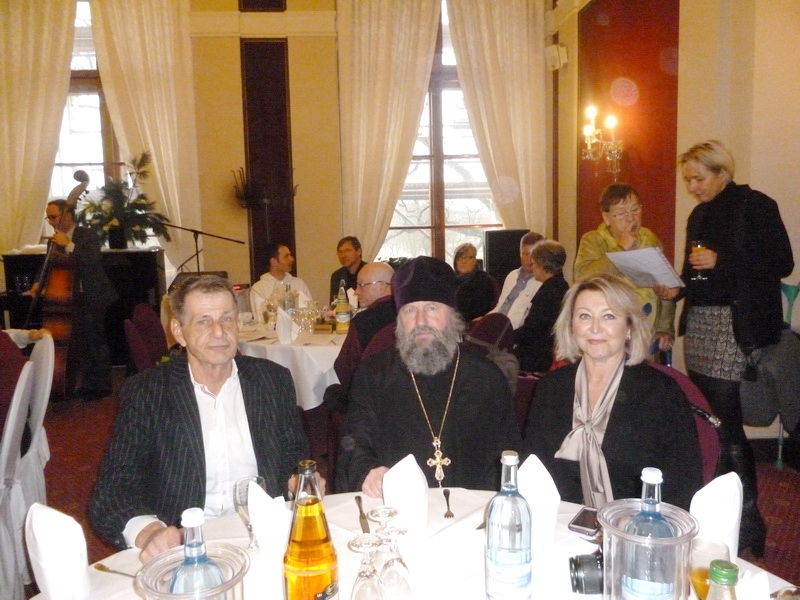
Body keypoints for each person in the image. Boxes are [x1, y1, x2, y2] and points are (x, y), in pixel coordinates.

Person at [88, 274, 311, 562]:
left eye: (227, 319)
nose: (219, 332)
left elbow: (294, 455)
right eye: (204, 321)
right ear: (179, 331)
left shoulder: (273, 381)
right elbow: (111, 490)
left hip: (263, 539)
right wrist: (150, 533)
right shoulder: (148, 392)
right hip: (186, 548)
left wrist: (297, 479)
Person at [657, 139, 794, 555]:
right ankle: (718, 513)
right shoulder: (698, 215)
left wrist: (724, 261)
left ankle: (749, 521)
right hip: (700, 325)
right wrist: (675, 289)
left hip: (733, 326)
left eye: (698, 178)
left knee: (728, 426)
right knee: (709, 419)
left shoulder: (756, 205)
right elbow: (694, 275)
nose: (692, 187)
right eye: (688, 180)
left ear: (723, 172)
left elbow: (782, 263)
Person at [336, 256, 522, 496]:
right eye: (410, 310)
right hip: (398, 504)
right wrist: (367, 472)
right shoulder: (373, 374)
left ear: (452, 315)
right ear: (399, 321)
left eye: (432, 308)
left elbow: (507, 453)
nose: (420, 321)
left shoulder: (486, 377)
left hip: (472, 506)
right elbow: (355, 440)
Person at [524, 274, 702, 511]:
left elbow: (683, 486)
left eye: (608, 316)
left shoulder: (661, 393)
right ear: (572, 326)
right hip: (558, 521)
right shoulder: (550, 388)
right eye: (584, 316)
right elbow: (532, 469)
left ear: (629, 327)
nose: (595, 328)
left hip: (636, 525)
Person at [27, 200, 118, 400]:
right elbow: (46, 265)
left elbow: (92, 259)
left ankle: (101, 386)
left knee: (95, 340)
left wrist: (68, 245)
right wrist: (37, 283)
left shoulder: (87, 235)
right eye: (48, 218)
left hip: (93, 295)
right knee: (79, 341)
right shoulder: (53, 241)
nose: (51, 222)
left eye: (54, 217)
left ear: (67, 215)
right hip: (71, 298)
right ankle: (83, 383)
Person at [574, 183, 675, 354]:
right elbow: (582, 278)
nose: (631, 218)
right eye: (621, 213)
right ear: (606, 217)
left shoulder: (650, 239)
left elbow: (666, 283)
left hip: (646, 329)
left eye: (635, 209)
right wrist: (621, 249)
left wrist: (664, 328)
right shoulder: (593, 240)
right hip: (606, 329)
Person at [332, 261, 396, 393]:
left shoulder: (363, 321)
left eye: (361, 285)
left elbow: (344, 369)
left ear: (382, 286)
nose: (356, 292)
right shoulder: (407, 314)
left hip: (370, 395)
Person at [514, 240, 569, 373]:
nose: (532, 267)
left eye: (534, 263)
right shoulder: (563, 286)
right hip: (550, 350)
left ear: (543, 266)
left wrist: (506, 336)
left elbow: (532, 331)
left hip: (539, 356)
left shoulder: (547, 293)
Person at [489, 231, 545, 328]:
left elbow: (524, 319)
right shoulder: (512, 275)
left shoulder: (541, 283)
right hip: (497, 325)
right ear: (519, 253)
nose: (529, 259)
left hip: (512, 330)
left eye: (533, 255)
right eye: (525, 254)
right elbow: (500, 306)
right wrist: (485, 319)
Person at [249, 242, 312, 317]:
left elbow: (310, 312)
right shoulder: (259, 289)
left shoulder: (299, 284)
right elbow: (260, 318)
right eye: (286, 256)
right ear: (274, 261)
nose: (292, 259)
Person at [452, 242, 496, 322]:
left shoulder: (482, 280)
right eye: (460, 258)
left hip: (472, 323)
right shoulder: (449, 279)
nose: (463, 261)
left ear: (475, 261)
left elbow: (480, 309)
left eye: (468, 257)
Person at [329, 236, 367, 302]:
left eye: (347, 250)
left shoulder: (369, 272)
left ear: (359, 251)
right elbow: (334, 303)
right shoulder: (337, 276)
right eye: (340, 252)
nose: (343, 255)